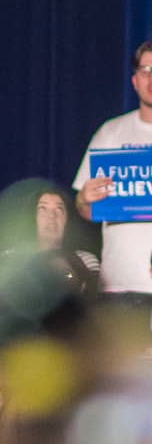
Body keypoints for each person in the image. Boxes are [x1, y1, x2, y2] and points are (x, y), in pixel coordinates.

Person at [74, 41, 152, 306]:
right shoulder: (111, 133)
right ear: (134, 80)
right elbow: (85, 210)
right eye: (146, 70)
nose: (151, 78)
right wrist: (84, 199)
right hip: (119, 285)